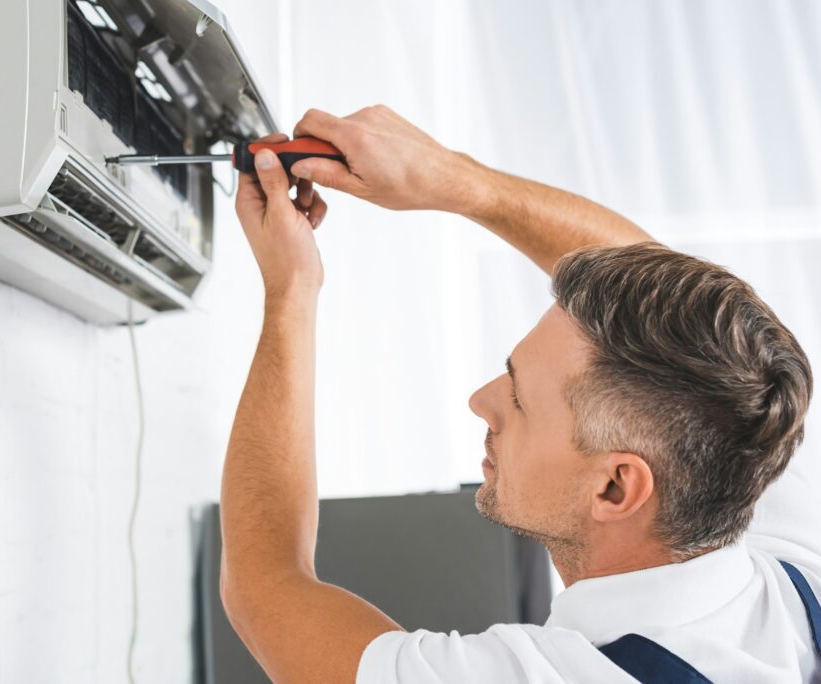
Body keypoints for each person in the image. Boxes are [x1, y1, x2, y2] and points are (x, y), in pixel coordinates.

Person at [218, 105, 820, 682]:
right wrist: (451, 179)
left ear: (615, 486)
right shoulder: (753, 495)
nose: (480, 400)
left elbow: (266, 586)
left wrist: (291, 287)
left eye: (520, 400)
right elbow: (655, 285)